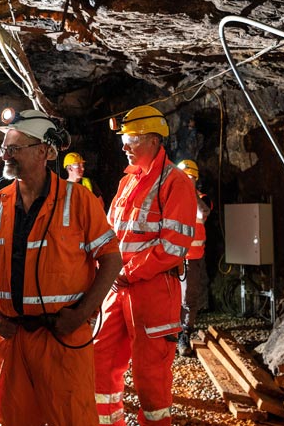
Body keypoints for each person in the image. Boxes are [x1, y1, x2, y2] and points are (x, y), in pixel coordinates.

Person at [0, 109, 122, 426]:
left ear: (44, 151)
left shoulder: (79, 200)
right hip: (13, 340)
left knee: (72, 418)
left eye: (14, 148)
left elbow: (111, 259)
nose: (6, 155)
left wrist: (80, 314)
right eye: (4, 149)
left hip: (62, 339)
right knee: (15, 418)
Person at [95, 105, 197, 426]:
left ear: (153, 140)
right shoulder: (127, 183)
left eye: (131, 140)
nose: (124, 146)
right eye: (123, 140)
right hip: (117, 289)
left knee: (149, 376)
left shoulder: (175, 183)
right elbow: (112, 232)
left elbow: (173, 247)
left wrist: (127, 272)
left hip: (152, 292)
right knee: (100, 361)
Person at [175, 160, 212, 358]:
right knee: (170, 298)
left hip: (193, 258)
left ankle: (184, 335)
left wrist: (190, 191)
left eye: (190, 178)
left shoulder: (202, 199)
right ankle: (171, 335)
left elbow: (203, 213)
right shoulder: (172, 198)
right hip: (173, 258)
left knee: (188, 299)